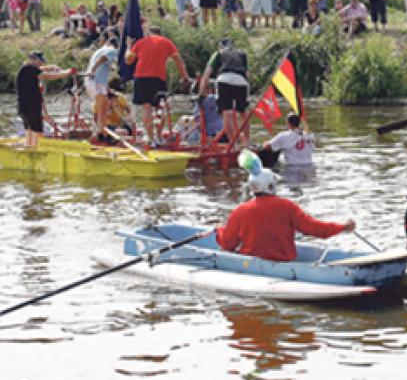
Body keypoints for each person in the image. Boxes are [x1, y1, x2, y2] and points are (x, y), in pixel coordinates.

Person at [215, 161, 354, 262]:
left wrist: (220, 231)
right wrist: (342, 227)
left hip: (251, 263)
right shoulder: (287, 207)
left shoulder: (239, 211)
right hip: (284, 262)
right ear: (270, 185)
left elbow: (228, 244)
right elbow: (314, 228)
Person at [124, 25, 191, 146]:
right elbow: (178, 60)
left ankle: (150, 139)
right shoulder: (166, 42)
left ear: (149, 33)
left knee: (146, 108)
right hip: (158, 78)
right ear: (161, 33)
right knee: (161, 108)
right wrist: (185, 77)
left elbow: (128, 60)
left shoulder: (141, 42)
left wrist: (128, 45)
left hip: (141, 78)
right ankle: (159, 136)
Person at [16, 52, 74, 147]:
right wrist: (66, 73)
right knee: (37, 132)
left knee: (30, 131)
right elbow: (48, 76)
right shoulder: (30, 69)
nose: (41, 64)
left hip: (24, 107)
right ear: (34, 59)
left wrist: (51, 67)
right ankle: (35, 153)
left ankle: (29, 148)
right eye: (40, 61)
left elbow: (41, 69)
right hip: (31, 107)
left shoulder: (25, 69)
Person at [200, 38, 249, 147]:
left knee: (227, 113)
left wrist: (201, 94)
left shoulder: (218, 54)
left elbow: (206, 74)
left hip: (224, 80)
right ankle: (246, 143)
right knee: (243, 113)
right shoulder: (242, 54)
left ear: (220, 46)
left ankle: (233, 144)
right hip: (241, 82)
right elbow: (247, 74)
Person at [84, 36, 119, 141]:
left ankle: (101, 132)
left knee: (104, 107)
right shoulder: (112, 50)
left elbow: (104, 62)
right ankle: (100, 134)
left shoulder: (99, 50)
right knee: (102, 110)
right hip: (96, 81)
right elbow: (103, 58)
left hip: (93, 81)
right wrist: (93, 70)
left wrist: (110, 67)